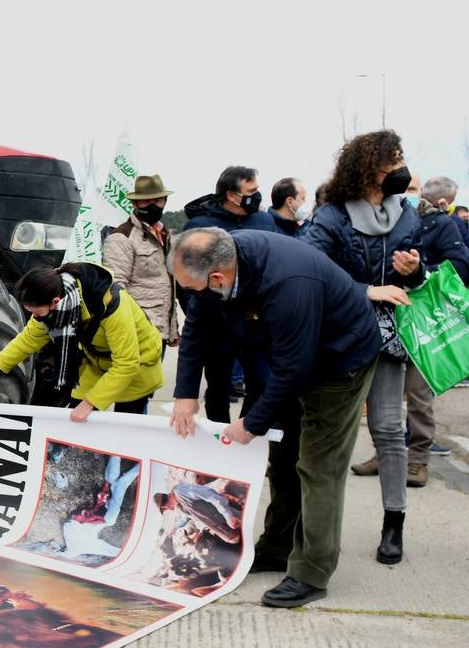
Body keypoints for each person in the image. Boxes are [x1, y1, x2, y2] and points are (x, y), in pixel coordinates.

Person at [169, 227, 405, 607]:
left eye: (193, 289)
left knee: (317, 464)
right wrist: (184, 394)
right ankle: (277, 548)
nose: (192, 297)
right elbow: (196, 327)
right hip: (283, 357)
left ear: (218, 278)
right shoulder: (216, 262)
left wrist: (251, 423)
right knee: (282, 456)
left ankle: (312, 571)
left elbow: (296, 369)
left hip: (340, 361)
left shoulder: (288, 282)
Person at [301, 132, 469, 566]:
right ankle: (315, 531)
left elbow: (417, 276)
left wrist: (414, 271)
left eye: (401, 159)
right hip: (342, 337)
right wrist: (365, 290)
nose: (400, 168)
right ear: (366, 169)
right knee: (332, 434)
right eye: (391, 161)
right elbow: (309, 268)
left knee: (390, 430)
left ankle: (394, 524)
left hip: (391, 337)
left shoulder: (407, 215)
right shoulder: (332, 217)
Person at [350, 174, 468, 485]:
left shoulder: (440, 224)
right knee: (379, 398)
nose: (407, 195)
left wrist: (419, 271)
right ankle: (384, 454)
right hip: (385, 318)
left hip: (423, 319)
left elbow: (460, 265)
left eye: (412, 189)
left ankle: (417, 460)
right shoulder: (381, 222)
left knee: (418, 394)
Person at [0, 263, 163, 417]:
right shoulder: (51, 305)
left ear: (55, 302)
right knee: (76, 417)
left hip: (138, 365)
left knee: (127, 428)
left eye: (36, 312)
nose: (35, 317)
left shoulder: (111, 306)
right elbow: (28, 339)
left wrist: (91, 402)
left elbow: (127, 363)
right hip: (98, 363)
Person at [181, 165, 279, 421]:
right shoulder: (200, 226)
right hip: (217, 324)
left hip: (256, 323)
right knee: (218, 387)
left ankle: (246, 429)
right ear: (231, 194)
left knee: (263, 381)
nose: (257, 196)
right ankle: (219, 440)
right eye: (251, 191)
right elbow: (185, 278)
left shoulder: (265, 221)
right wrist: (198, 308)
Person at [101, 174, 178, 350]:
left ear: (165, 201)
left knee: (154, 379)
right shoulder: (121, 237)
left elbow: (169, 285)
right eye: (146, 201)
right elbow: (115, 290)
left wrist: (173, 330)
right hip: (137, 332)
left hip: (160, 331)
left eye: (157, 200)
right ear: (135, 204)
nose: (153, 205)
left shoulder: (165, 234)